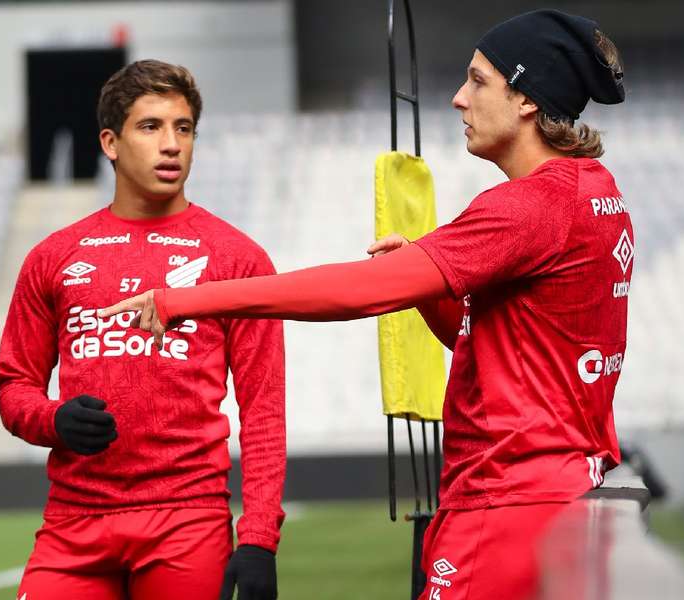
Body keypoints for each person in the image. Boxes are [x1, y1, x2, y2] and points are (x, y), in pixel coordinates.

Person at [101, 10, 631, 599]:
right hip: (554, 493)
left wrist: (189, 300)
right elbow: (495, 342)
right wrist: (433, 289)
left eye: (479, 81)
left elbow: (356, 292)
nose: (459, 99)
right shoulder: (596, 192)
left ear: (527, 99)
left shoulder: (529, 206)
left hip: (505, 502)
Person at [0, 60, 286, 600]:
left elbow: (264, 413)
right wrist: (54, 419)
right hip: (73, 522)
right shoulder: (52, 258)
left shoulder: (238, 258)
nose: (171, 144)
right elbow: (14, 390)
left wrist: (259, 538)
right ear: (111, 142)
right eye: (150, 127)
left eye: (184, 128)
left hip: (186, 520)